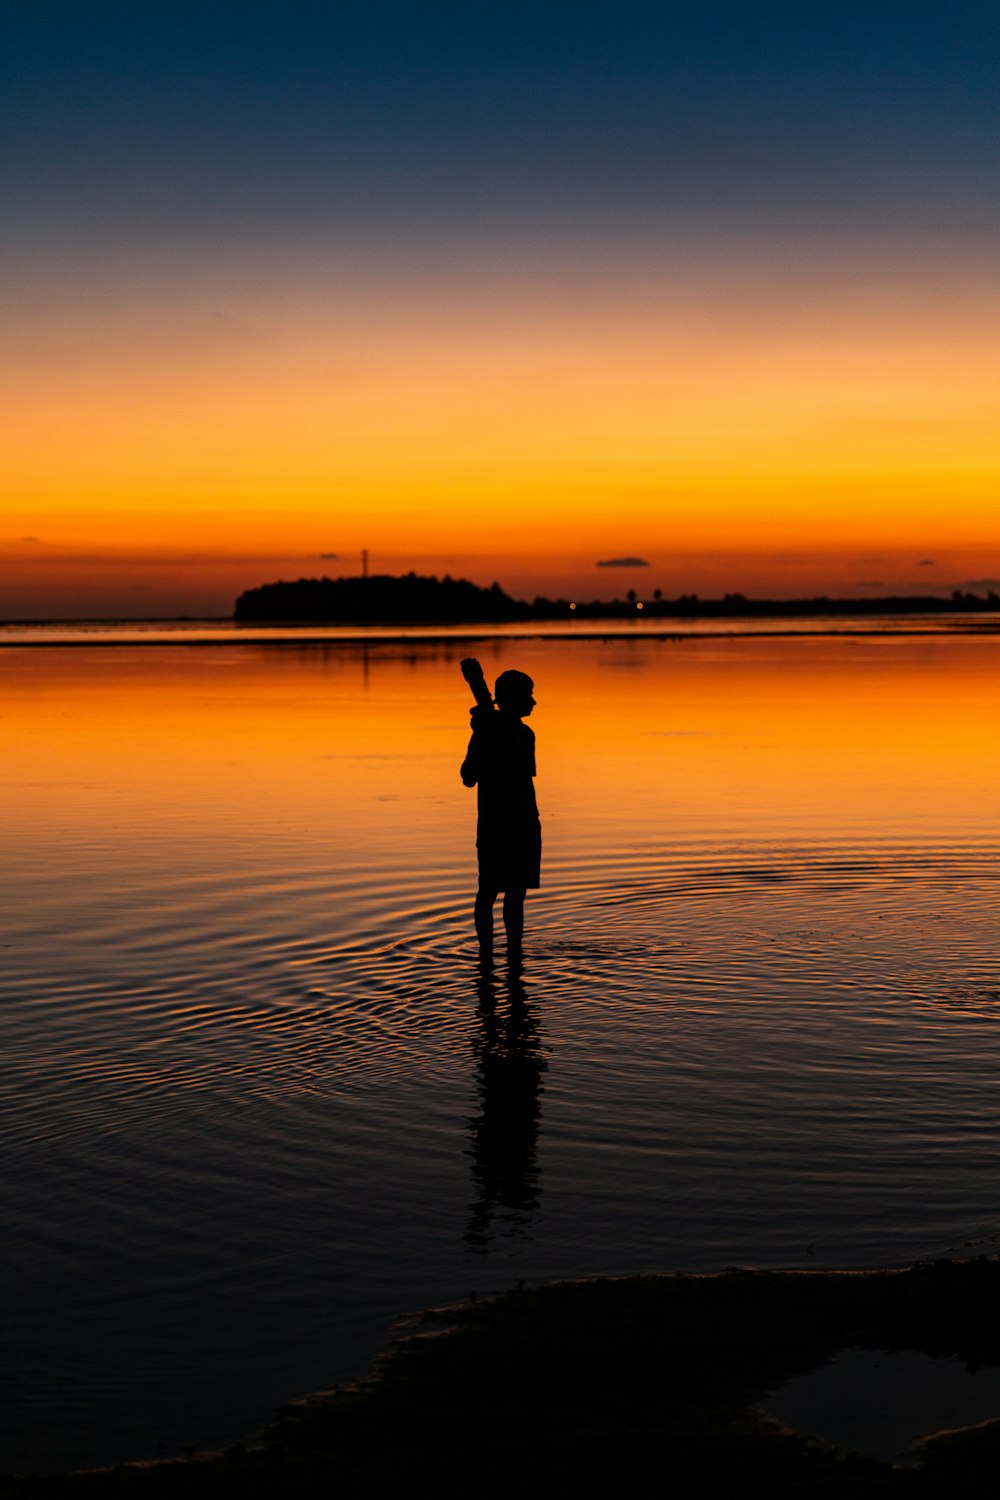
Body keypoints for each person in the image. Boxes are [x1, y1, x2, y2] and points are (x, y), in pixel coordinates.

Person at [461, 667, 541, 959]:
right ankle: (486, 954)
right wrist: (482, 737)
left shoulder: (524, 734)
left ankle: (513, 956)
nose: (534, 703)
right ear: (514, 699)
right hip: (498, 825)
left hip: (525, 824)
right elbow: (468, 776)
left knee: (515, 894)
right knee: (490, 892)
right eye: (529, 696)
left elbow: (524, 782)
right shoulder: (488, 733)